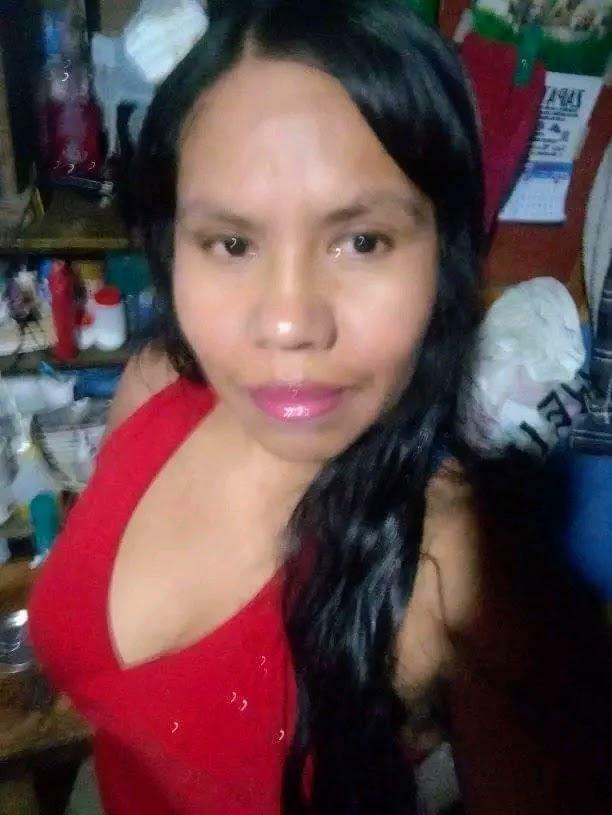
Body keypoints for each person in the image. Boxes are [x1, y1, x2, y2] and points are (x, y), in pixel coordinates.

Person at [29, 2, 611, 814]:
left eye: (361, 240)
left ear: (441, 256)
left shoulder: (460, 571)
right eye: (232, 243)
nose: (289, 323)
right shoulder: (157, 385)